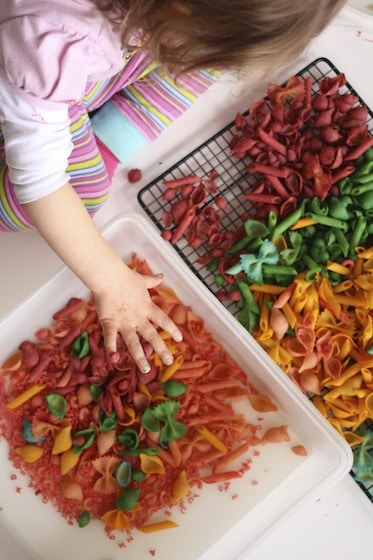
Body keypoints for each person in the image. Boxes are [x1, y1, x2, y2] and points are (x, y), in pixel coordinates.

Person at [0, 0, 345, 374]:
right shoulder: (54, 34)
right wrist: (110, 281)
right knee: (84, 192)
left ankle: (96, 133)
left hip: (87, 56)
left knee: (199, 58)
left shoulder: (149, 17)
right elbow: (40, 182)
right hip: (30, 76)